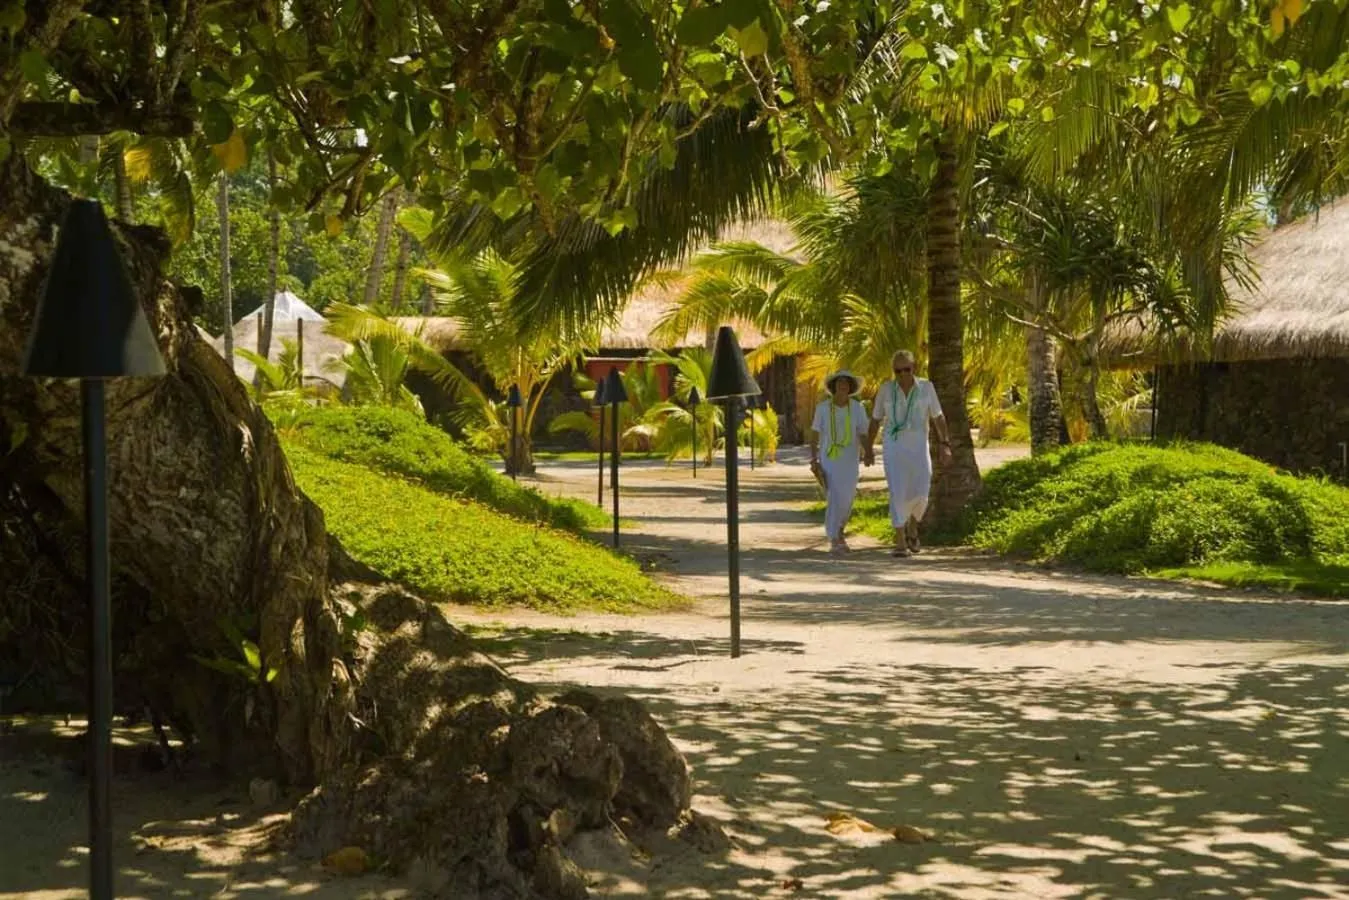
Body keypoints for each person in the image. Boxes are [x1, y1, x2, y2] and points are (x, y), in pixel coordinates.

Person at [865, 350, 951, 557]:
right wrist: (868, 449)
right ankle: (900, 539)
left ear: (915, 368)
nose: (902, 374)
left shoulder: (926, 388)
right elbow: (876, 420)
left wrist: (945, 444)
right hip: (894, 448)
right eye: (898, 371)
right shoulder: (886, 390)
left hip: (919, 448)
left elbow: (938, 417)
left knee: (922, 491)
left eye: (906, 369)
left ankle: (913, 526)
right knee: (897, 490)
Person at [809, 370, 872, 555]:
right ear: (834, 386)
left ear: (850, 387)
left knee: (847, 497)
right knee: (834, 496)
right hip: (830, 457)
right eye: (839, 383)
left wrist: (868, 452)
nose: (843, 386)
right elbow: (814, 434)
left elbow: (862, 432)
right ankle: (835, 537)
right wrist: (813, 458)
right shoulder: (822, 408)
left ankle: (840, 529)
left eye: (846, 383)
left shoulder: (857, 408)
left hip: (850, 459)